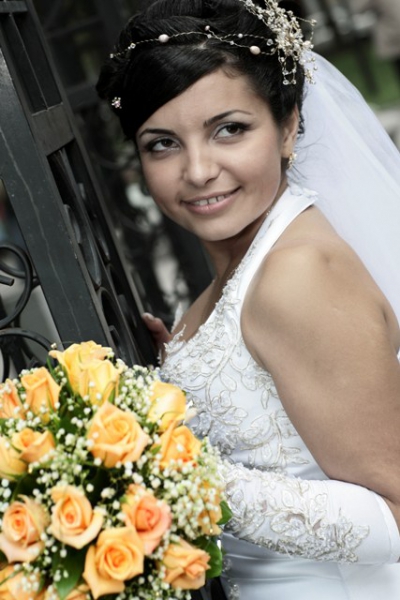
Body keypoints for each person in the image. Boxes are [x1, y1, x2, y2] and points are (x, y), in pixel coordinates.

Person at [96, 0, 400, 598]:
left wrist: (173, 467)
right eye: (162, 144)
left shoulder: (297, 274)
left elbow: (395, 512)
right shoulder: (245, 269)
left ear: (287, 127)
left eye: (229, 129)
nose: (198, 170)